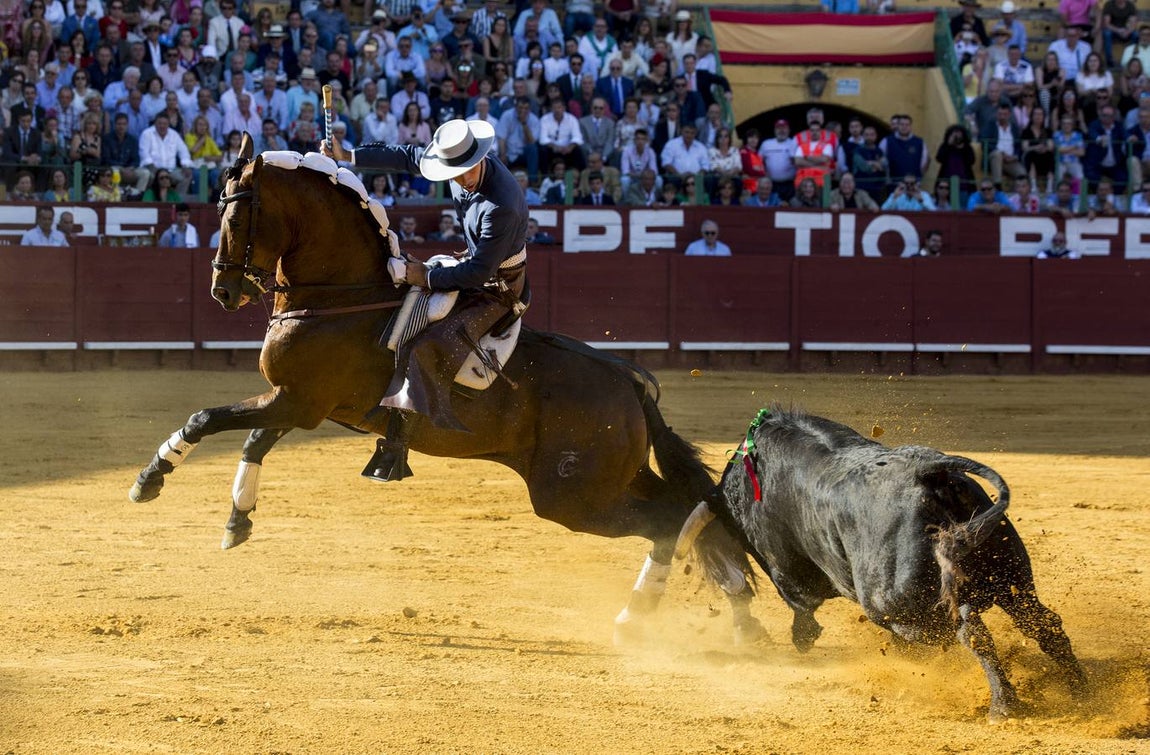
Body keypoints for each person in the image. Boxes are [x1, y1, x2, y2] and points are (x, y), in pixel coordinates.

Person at [324, 119, 529, 484]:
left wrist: (423, 276)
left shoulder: (503, 205)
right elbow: (407, 156)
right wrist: (349, 155)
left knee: (426, 348)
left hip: (497, 288)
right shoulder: (458, 162)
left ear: (480, 158)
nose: (461, 179)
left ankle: (398, 443)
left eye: (467, 171)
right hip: (473, 267)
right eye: (455, 172)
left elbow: (478, 273)